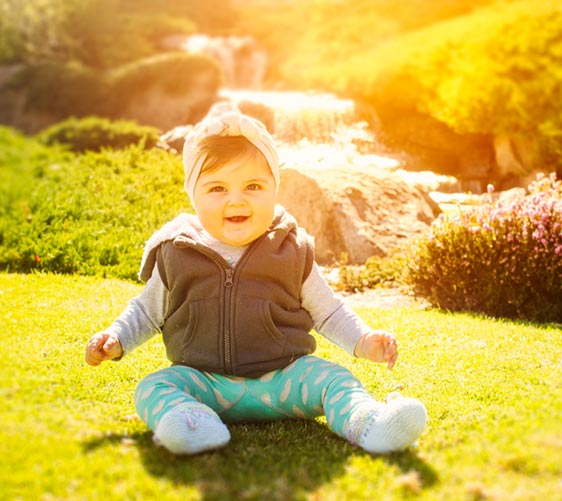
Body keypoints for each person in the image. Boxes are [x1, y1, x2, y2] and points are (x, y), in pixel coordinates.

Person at [84, 103, 427, 455]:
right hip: (205, 382)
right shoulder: (176, 251)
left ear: (274, 191)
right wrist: (116, 338)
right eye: (217, 189)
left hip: (286, 381)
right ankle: (192, 424)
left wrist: (364, 340)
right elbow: (145, 312)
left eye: (252, 186)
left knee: (334, 379)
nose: (236, 200)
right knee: (154, 386)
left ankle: (367, 422)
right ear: (193, 194)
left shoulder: (292, 249)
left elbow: (328, 312)